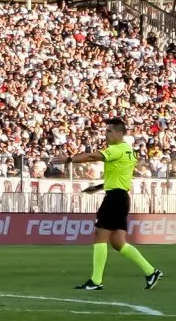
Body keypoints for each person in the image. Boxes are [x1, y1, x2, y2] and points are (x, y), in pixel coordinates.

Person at [70, 115, 163, 292]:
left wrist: (69, 159)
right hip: (121, 197)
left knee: (99, 235)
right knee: (118, 242)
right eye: (106, 131)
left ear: (120, 133)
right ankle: (151, 272)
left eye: (109, 131)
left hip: (114, 199)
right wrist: (97, 187)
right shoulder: (128, 150)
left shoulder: (116, 149)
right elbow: (119, 178)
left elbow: (93, 156)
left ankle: (96, 281)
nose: (106, 134)